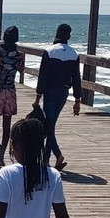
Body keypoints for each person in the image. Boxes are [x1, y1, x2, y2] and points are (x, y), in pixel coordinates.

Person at [33, 23, 82, 171]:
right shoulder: (74, 54)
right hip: (64, 92)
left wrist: (37, 96)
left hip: (50, 91)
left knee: (49, 126)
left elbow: (43, 76)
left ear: (56, 34)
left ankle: (54, 156)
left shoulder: (49, 52)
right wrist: (78, 100)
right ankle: (47, 160)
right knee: (50, 125)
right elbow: (77, 79)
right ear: (69, 36)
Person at [0, 26, 24, 167]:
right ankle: (2, 153)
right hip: (10, 92)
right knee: (7, 127)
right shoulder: (19, 55)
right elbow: (21, 70)